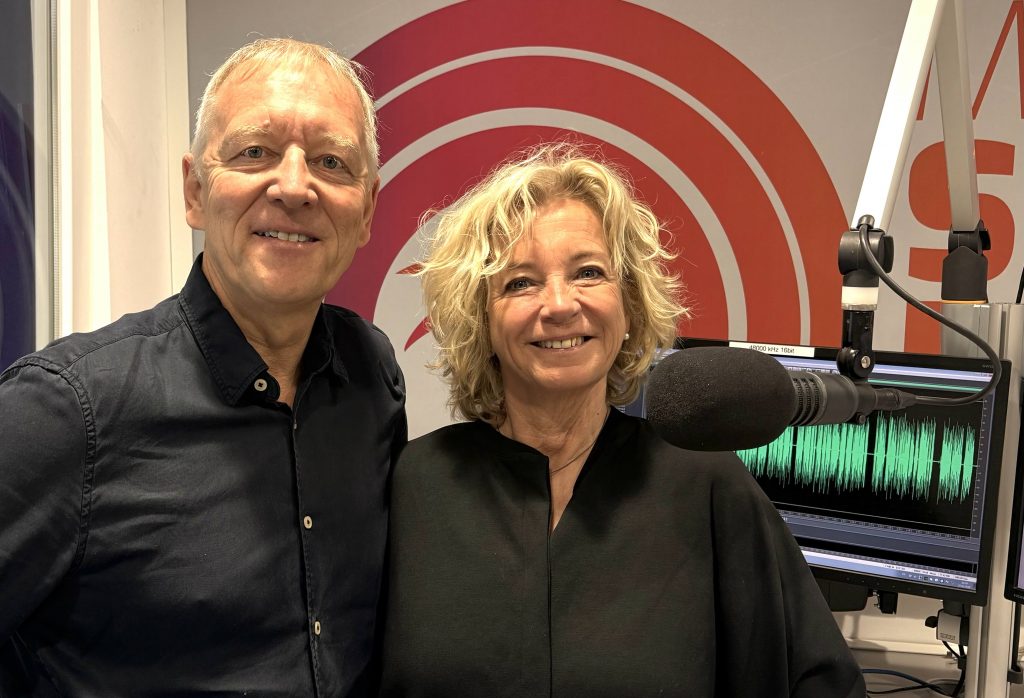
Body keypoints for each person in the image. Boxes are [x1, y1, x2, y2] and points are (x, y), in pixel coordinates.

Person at [379, 145, 865, 697]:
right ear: (480, 320)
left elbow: (821, 684)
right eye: (520, 282)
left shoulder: (705, 484)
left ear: (628, 304)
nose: (559, 305)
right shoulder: (422, 481)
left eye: (588, 273)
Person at [0, 38, 406, 696]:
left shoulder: (371, 375)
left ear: (366, 210)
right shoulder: (65, 411)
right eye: (255, 152)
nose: (294, 186)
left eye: (331, 162)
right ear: (195, 190)